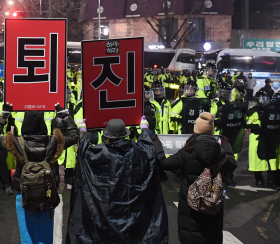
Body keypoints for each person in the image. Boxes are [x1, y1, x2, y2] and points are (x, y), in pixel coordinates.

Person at [67, 117, 169, 244]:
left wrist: (83, 131)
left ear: (106, 136)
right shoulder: (137, 153)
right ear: (125, 135)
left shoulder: (98, 154)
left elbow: (83, 150)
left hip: (105, 214)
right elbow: (149, 149)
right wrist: (144, 129)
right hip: (131, 216)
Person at [0, 105, 78, 244]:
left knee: (27, 237)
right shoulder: (54, 142)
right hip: (47, 195)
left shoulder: (17, 142)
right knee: (45, 237)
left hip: (24, 195)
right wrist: (65, 116)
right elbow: (74, 135)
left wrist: (3, 116)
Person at [155, 112, 236, 244]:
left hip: (190, 207)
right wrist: (226, 144)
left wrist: (157, 145)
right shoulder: (220, 152)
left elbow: (164, 163)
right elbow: (232, 165)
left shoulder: (187, 152)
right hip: (212, 206)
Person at [245, 90, 280, 189]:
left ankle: (271, 181)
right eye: (260, 99)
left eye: (264, 99)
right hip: (257, 137)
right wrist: (261, 125)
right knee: (256, 160)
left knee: (271, 159)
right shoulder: (254, 111)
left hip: (269, 136)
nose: (263, 101)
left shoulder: (270, 109)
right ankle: (259, 179)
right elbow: (248, 123)